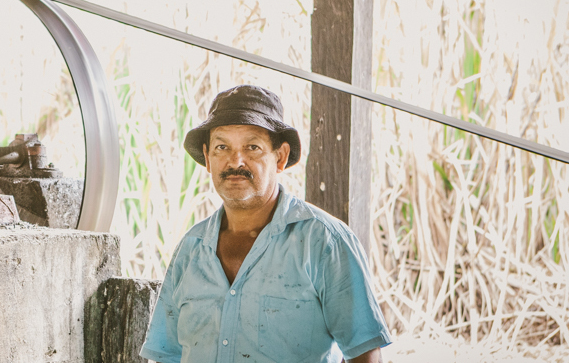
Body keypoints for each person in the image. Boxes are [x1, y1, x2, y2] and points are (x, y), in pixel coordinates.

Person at [140, 85, 391, 363]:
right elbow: (167, 356)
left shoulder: (323, 241)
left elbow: (365, 355)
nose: (235, 161)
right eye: (222, 147)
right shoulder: (190, 250)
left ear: (280, 157)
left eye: (252, 147)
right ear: (208, 158)